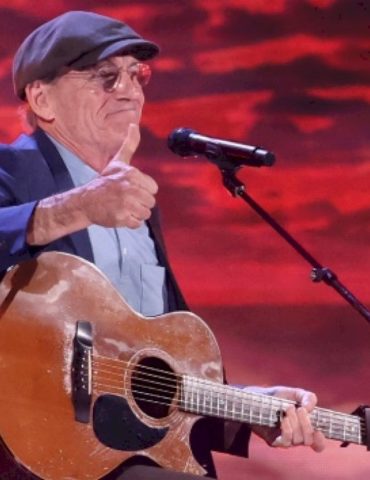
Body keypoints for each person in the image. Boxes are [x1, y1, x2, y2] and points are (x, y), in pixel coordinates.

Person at [0, 10, 325, 480]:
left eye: (137, 75)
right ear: (42, 98)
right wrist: (73, 208)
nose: (130, 91)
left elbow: (146, 370)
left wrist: (247, 409)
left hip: (131, 454)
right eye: (105, 77)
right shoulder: (10, 170)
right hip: (32, 452)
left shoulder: (139, 203)